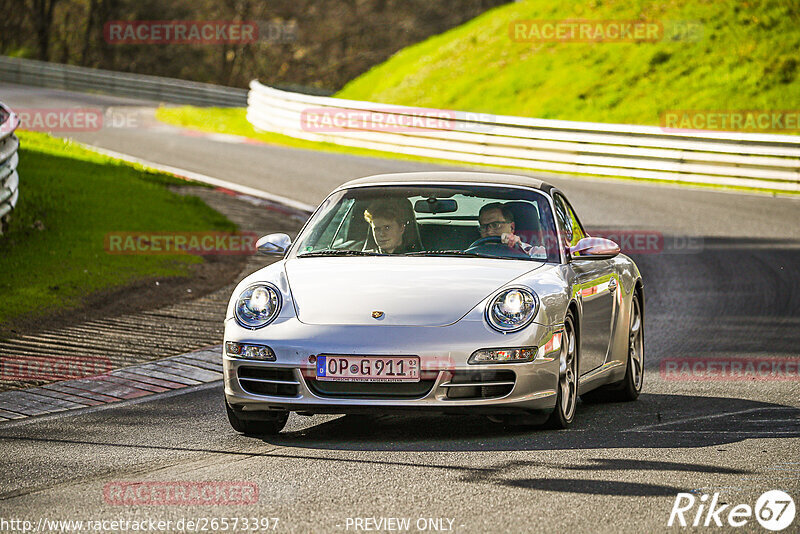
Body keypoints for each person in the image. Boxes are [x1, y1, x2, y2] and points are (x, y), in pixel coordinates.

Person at [478, 202, 546, 258]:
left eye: (495, 225)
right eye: (484, 227)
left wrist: (518, 248)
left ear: (512, 227)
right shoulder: (473, 251)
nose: (489, 232)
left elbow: (550, 262)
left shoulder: (531, 251)